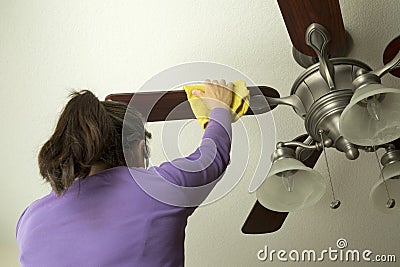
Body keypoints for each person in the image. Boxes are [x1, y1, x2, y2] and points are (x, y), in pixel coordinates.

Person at [16, 80, 234, 267]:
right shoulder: (159, 190)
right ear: (139, 149)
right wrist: (219, 109)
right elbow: (212, 158)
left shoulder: (29, 221)